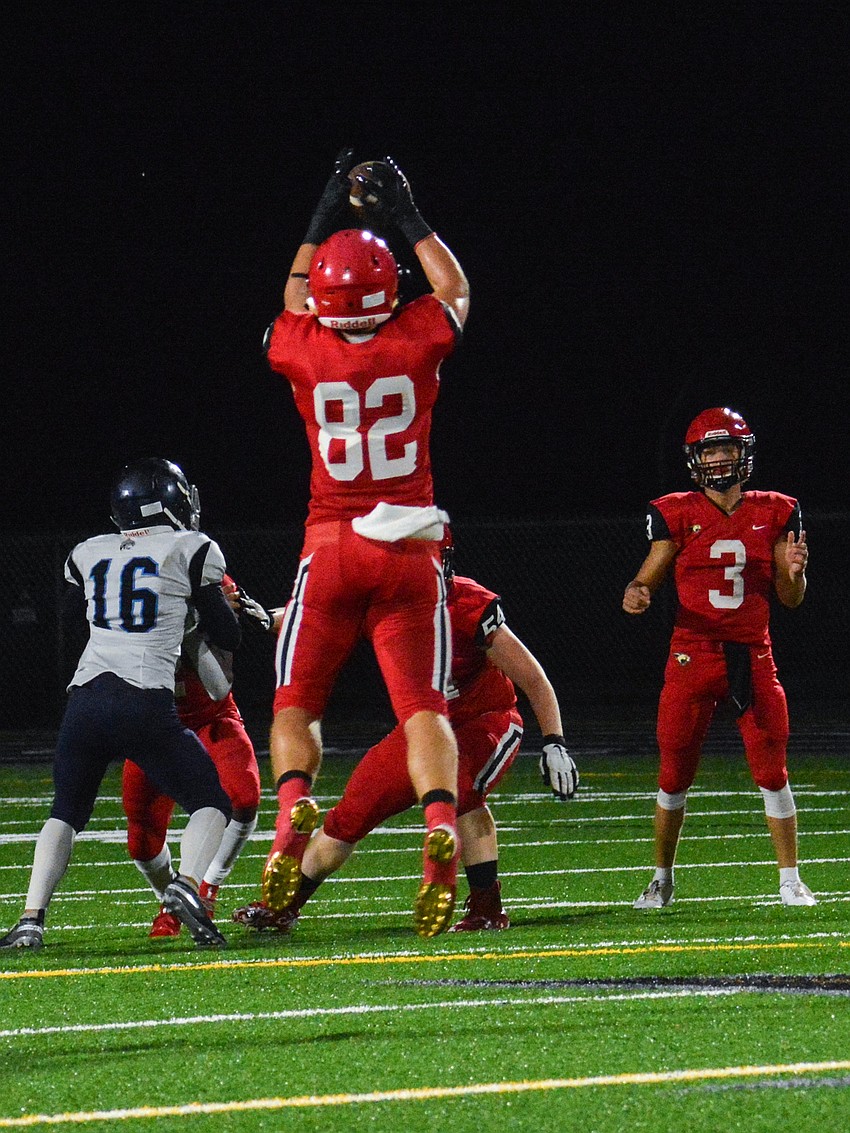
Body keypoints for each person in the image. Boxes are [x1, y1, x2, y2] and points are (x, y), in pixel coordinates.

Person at [260, 149, 470, 937]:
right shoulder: (417, 334)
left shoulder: (300, 345)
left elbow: (292, 296)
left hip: (331, 539)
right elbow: (453, 288)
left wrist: (322, 215)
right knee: (421, 707)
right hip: (410, 543)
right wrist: (406, 214)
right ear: (388, 291)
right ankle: (438, 827)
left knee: (295, 702)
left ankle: (290, 820)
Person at [231, 536, 578, 935]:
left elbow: (533, 679)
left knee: (460, 790)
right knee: (354, 810)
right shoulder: (383, 601)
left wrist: (555, 741)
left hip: (484, 718)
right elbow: (319, 615)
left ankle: (487, 907)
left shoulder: (467, 605)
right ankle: (287, 905)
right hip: (422, 726)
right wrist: (269, 618)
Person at [0, 458, 241, 951]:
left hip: (85, 699)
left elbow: (75, 618)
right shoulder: (191, 549)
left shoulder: (89, 552)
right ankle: (188, 887)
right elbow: (229, 634)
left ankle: (30, 919)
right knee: (212, 802)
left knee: (65, 810)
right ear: (173, 504)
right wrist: (196, 617)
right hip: (143, 699)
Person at [622, 407, 816, 909]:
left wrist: (793, 573)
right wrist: (637, 590)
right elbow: (651, 571)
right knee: (673, 773)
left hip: (753, 655)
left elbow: (790, 598)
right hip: (693, 654)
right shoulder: (676, 511)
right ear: (696, 459)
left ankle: (790, 879)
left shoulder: (776, 510)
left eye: (725, 448)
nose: (718, 458)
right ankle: (662, 878)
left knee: (772, 770)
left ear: (743, 453)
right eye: (709, 450)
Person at [121, 574, 262, 938]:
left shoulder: (209, 578)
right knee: (141, 839)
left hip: (210, 717)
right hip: (154, 723)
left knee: (243, 796)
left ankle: (204, 890)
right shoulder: (127, 582)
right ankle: (171, 903)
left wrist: (191, 629)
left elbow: (218, 687)